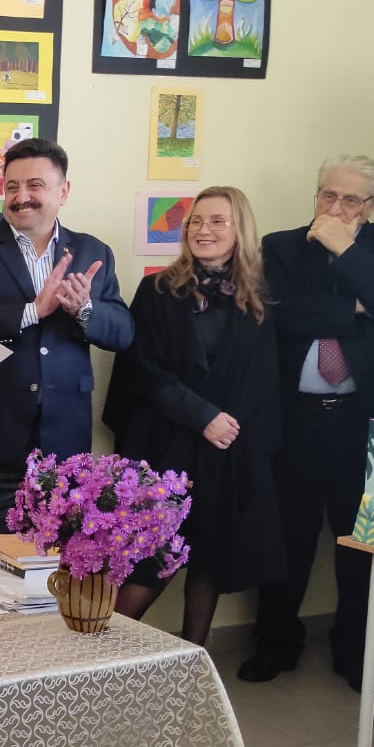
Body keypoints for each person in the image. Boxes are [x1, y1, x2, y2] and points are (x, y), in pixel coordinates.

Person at [238, 155, 374, 686]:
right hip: (295, 418)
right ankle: (276, 643)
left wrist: (346, 249)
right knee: (288, 537)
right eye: (327, 195)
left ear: (373, 206)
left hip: (362, 421)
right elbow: (275, 317)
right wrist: (355, 310)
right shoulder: (282, 246)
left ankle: (357, 652)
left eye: (350, 199)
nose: (335, 207)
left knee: (360, 543)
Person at [104, 187, 284, 643]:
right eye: (196, 221)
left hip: (227, 449)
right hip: (168, 444)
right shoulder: (159, 290)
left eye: (217, 221)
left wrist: (231, 430)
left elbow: (264, 377)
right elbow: (142, 370)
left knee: (209, 560)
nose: (203, 230)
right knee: (153, 560)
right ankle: (97, 659)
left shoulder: (259, 298)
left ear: (240, 230)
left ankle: (194, 659)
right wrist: (203, 416)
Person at [0, 138, 134, 549]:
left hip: (66, 449)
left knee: (60, 565)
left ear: (63, 191)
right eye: (11, 187)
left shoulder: (93, 251)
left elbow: (122, 332)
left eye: (35, 185)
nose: (21, 196)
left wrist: (84, 309)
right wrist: (31, 310)